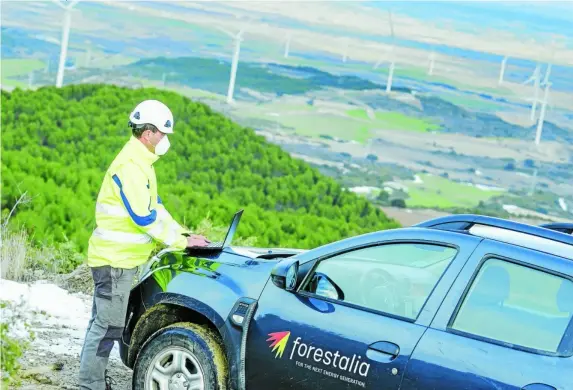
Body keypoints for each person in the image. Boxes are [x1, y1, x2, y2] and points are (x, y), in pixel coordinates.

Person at [78, 99, 210, 390]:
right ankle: (90, 385)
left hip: (119, 260)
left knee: (102, 323)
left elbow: (157, 209)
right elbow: (144, 217)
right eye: (162, 133)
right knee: (107, 327)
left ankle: (92, 380)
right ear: (148, 132)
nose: (165, 139)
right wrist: (178, 243)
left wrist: (185, 236)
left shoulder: (142, 163)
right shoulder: (132, 166)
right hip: (114, 261)